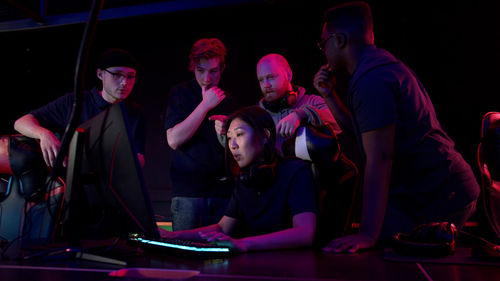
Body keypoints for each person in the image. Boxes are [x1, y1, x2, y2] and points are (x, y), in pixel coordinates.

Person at [313, 1, 480, 253]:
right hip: (427, 191)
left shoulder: (373, 80)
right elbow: (365, 134)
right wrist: (330, 96)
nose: (323, 50)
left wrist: (368, 234)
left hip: (440, 192)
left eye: (323, 43)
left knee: (379, 249)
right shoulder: (376, 67)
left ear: (340, 40)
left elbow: (380, 157)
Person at [160, 105, 318, 252]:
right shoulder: (245, 179)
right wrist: (173, 235)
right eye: (229, 138)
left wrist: (243, 243)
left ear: (265, 135)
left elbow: (305, 233)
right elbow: (222, 228)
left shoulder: (296, 171)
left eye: (239, 134)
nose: (232, 145)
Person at [14, 48, 146, 169]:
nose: (124, 82)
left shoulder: (135, 113)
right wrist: (44, 134)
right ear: (100, 74)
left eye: (130, 77)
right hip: (70, 183)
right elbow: (21, 122)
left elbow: (139, 157)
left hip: (109, 184)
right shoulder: (75, 101)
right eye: (117, 74)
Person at [165, 38, 235, 231]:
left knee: (222, 256)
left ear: (222, 68)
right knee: (185, 255)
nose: (207, 78)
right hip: (189, 193)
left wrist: (228, 132)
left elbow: (237, 151)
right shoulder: (180, 93)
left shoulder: (228, 98)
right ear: (192, 67)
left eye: (213, 71)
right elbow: (173, 139)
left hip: (222, 192)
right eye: (201, 71)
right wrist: (205, 105)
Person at [212, 53, 341, 156]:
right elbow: (240, 147)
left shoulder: (312, 101)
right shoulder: (255, 115)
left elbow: (340, 122)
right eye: (261, 80)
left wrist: (301, 114)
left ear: (289, 75)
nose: (266, 85)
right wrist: (226, 132)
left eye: (271, 77)